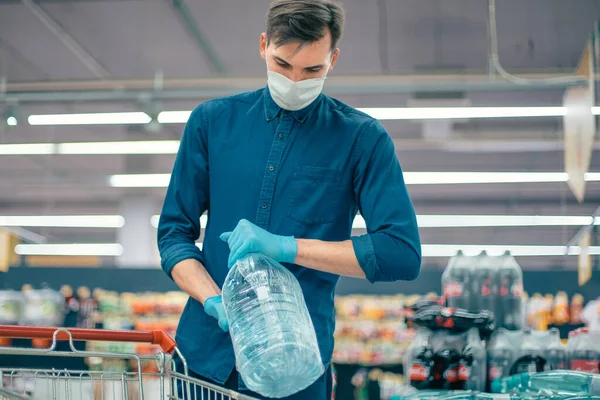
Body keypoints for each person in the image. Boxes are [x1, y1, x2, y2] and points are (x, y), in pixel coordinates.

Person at [157, 0, 422, 398]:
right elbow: (173, 234)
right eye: (282, 64)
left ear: (333, 59)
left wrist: (288, 248)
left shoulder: (362, 140)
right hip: (204, 362)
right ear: (264, 45)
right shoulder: (211, 123)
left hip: (296, 368)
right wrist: (213, 299)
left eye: (312, 70)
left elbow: (401, 252)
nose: (295, 81)